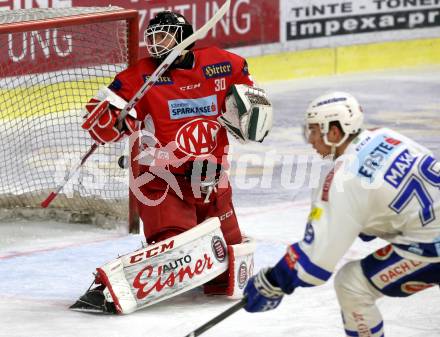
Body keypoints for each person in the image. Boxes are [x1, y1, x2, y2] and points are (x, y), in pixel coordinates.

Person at [73, 10, 272, 313]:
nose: (155, 44)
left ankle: (175, 256)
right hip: (162, 181)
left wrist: (250, 108)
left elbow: (248, 92)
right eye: (151, 37)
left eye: (164, 36)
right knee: (178, 253)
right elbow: (96, 117)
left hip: (212, 179)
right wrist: (112, 120)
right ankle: (110, 287)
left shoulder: (221, 64)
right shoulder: (140, 76)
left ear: (185, 38)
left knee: (229, 273)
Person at [244, 91, 440, 336]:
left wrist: (273, 281)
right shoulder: (386, 135)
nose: (311, 140)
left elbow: (315, 263)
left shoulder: (342, 178)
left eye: (314, 131)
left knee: (351, 284)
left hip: (433, 245)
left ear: (334, 132)